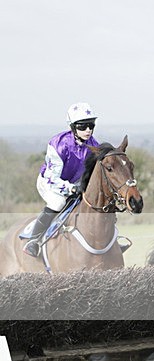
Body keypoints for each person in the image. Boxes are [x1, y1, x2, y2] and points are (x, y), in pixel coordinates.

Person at [23, 102, 101, 257]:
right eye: (82, 126)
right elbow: (53, 178)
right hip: (49, 183)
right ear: (72, 127)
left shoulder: (94, 146)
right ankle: (33, 240)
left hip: (75, 184)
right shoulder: (59, 144)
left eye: (91, 125)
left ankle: (109, 242)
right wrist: (71, 189)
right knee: (58, 202)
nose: (88, 130)